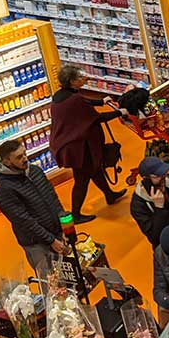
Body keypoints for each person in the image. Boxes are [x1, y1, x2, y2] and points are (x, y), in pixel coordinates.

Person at [48, 65, 126, 224]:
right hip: (77, 147)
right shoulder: (74, 99)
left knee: (96, 170)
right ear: (72, 81)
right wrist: (120, 112)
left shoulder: (61, 95)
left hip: (69, 143)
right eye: (80, 78)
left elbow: (84, 102)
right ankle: (75, 214)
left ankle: (109, 195)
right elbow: (97, 118)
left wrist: (101, 101)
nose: (84, 79)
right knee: (81, 180)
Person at [0, 139, 68, 272]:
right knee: (50, 282)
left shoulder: (35, 171)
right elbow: (25, 221)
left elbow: (53, 199)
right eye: (19, 157)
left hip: (56, 233)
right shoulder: (4, 190)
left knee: (68, 276)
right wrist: (50, 240)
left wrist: (63, 226)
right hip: (36, 244)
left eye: (24, 154)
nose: (25, 159)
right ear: (6, 162)